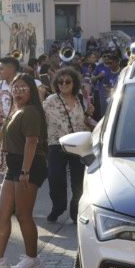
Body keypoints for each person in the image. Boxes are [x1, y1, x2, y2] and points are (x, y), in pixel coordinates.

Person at [0, 73, 47, 268]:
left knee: (24, 215)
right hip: (14, 166)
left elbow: (32, 141)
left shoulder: (31, 111)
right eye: (15, 88)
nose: (18, 92)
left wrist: (25, 171)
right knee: (2, 212)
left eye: (23, 88)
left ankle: (32, 258)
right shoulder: (17, 110)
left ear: (31, 90)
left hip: (28, 165)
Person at [42, 66, 91, 223]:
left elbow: (84, 121)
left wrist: (90, 114)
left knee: (78, 182)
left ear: (74, 83)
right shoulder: (50, 101)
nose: (63, 84)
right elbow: (40, 117)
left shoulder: (80, 100)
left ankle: (75, 211)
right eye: (60, 82)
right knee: (55, 178)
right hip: (56, 144)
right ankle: (58, 207)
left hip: (78, 145)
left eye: (67, 81)